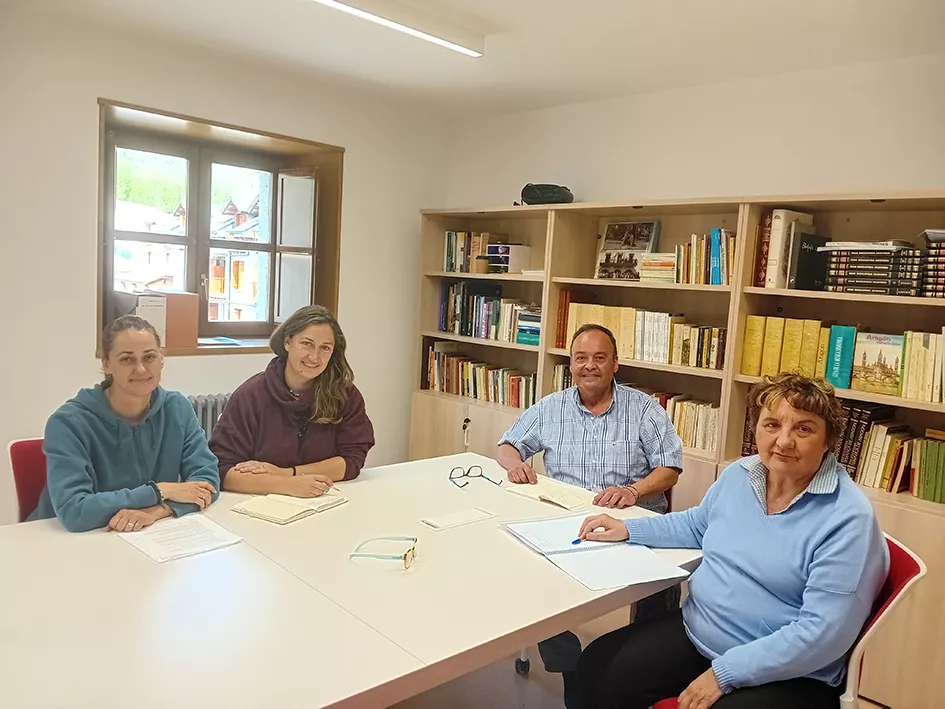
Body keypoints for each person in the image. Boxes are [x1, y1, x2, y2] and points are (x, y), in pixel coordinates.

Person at [575, 373, 890, 709]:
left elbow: (824, 635)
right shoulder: (742, 474)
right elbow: (698, 525)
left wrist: (725, 672)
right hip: (701, 635)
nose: (784, 441)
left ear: (829, 441)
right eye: (771, 425)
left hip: (791, 672)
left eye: (803, 428)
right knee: (597, 667)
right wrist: (631, 530)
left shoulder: (848, 519)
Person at [496, 323, 684, 707]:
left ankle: (648, 669)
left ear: (616, 364)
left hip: (631, 521)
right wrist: (515, 464)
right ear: (570, 365)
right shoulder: (551, 407)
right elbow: (507, 445)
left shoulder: (644, 409)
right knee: (530, 575)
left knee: (661, 586)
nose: (590, 366)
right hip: (568, 522)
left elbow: (670, 467)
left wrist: (633, 490)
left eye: (600, 358)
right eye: (581, 358)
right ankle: (571, 669)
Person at [30, 316, 220, 533]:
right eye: (127, 359)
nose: (140, 369)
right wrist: (158, 491)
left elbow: (207, 481)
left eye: (149, 356)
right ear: (106, 364)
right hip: (62, 544)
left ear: (161, 359)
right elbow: (74, 511)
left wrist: (158, 510)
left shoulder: (177, 408)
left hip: (145, 536)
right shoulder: (67, 423)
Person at [211, 305, 374, 496]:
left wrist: (288, 474)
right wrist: (286, 485)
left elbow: (353, 459)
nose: (315, 357)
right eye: (306, 344)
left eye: (325, 348)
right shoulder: (250, 396)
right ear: (288, 342)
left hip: (325, 500)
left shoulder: (345, 395)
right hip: (260, 505)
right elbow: (223, 470)